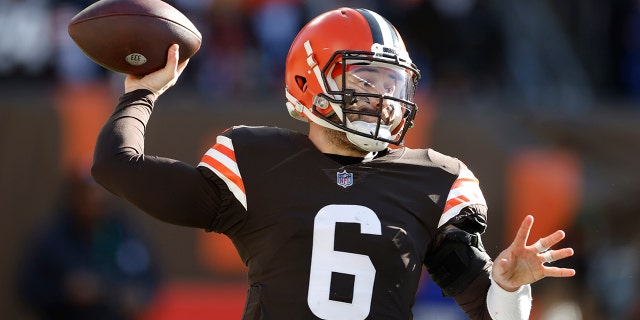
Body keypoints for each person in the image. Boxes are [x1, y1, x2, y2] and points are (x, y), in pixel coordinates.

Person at [91, 7, 575, 319]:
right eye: (367, 79)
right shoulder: (255, 162)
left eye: (393, 85)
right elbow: (117, 167)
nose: (384, 100)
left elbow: (492, 315)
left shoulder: (436, 180)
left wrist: (510, 288)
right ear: (308, 80)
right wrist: (143, 93)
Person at [18, 167, 161, 320]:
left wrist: (139, 295)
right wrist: (64, 292)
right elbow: (27, 288)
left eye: (101, 199)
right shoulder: (52, 238)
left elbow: (153, 279)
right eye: (88, 197)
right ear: (74, 197)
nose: (95, 204)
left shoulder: (127, 234)